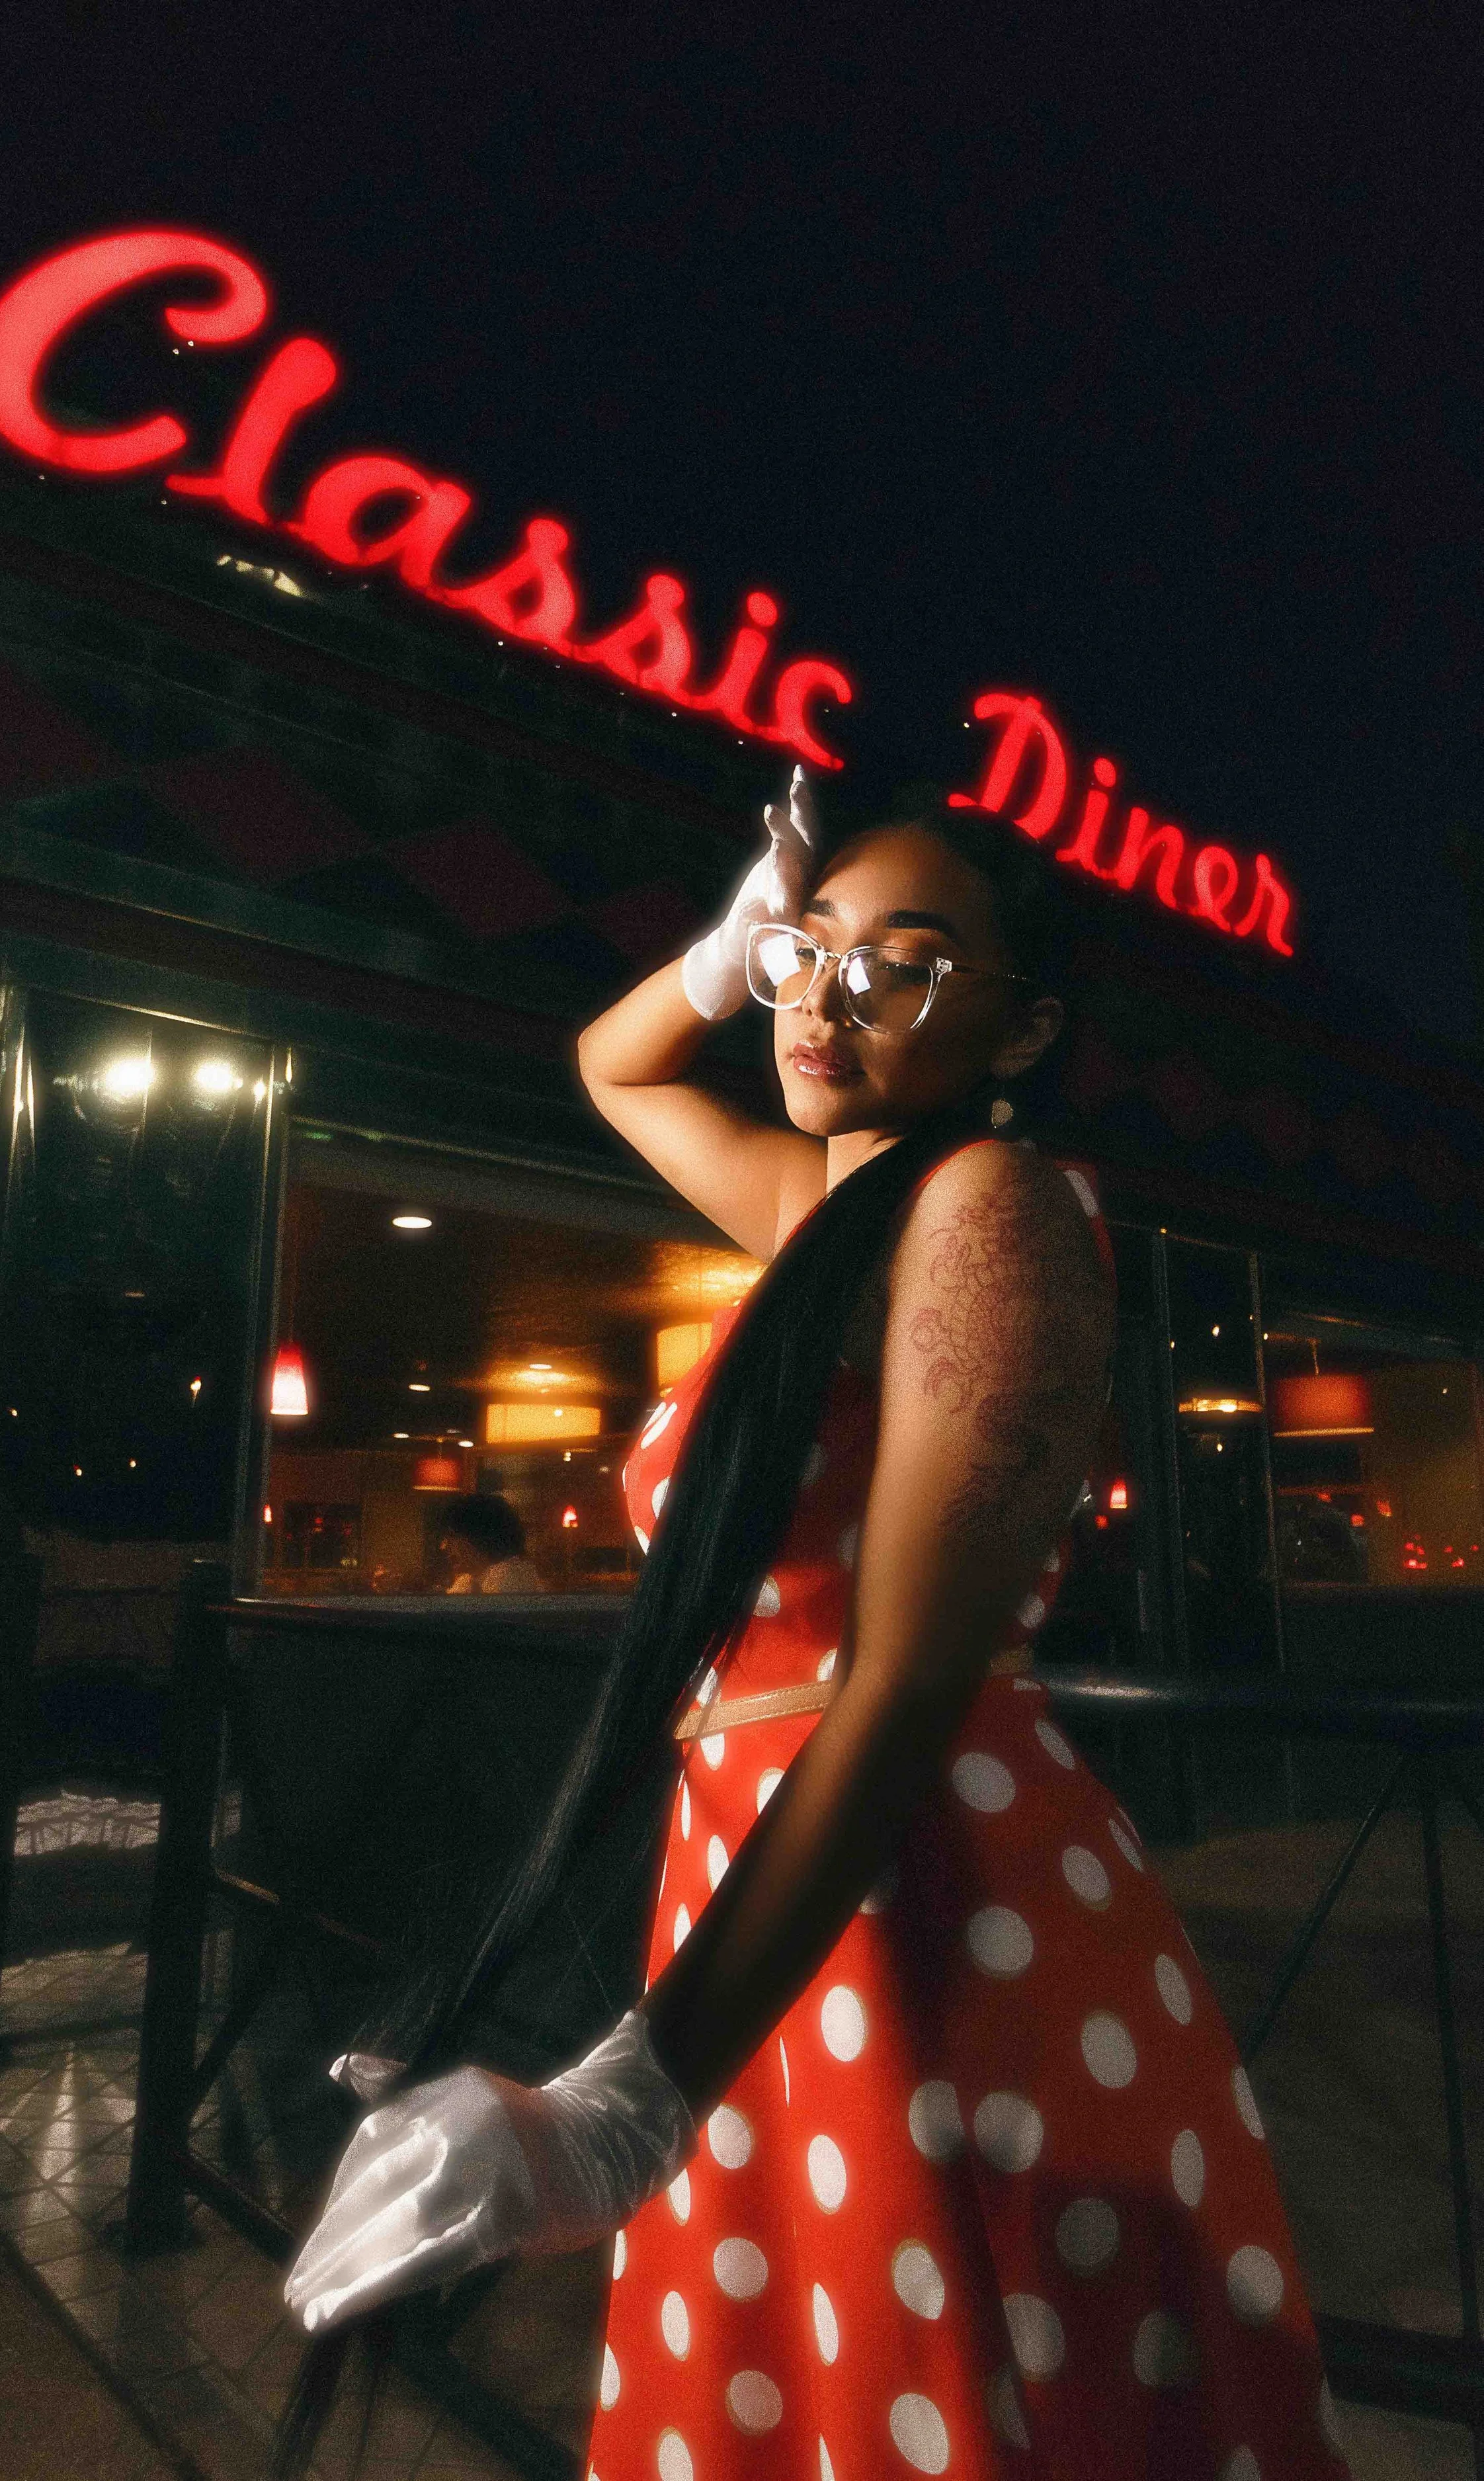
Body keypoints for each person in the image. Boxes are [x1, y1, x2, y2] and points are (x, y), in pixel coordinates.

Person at [276, 773, 1348, 2480]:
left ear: (1022, 1028)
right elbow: (610, 1064)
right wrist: (722, 954)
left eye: (905, 963)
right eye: (811, 947)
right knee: (814, 2378)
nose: (828, 997)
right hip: (774, 1887)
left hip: (921, 1882)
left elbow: (912, 1670)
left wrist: (629, 2096)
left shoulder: (984, 1203)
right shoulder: (816, 1217)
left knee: (937, 2382)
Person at [438, 1493, 546, 1593]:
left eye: (453, 1537)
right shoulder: (468, 1581)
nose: (444, 1546)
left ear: (479, 1537)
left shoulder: (510, 1578)